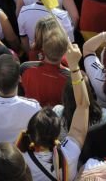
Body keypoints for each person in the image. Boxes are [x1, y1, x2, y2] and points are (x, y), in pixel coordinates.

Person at [16, 44, 90, 181]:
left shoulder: (20, 159)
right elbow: (83, 105)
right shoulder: (70, 153)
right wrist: (74, 66)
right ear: (58, 134)